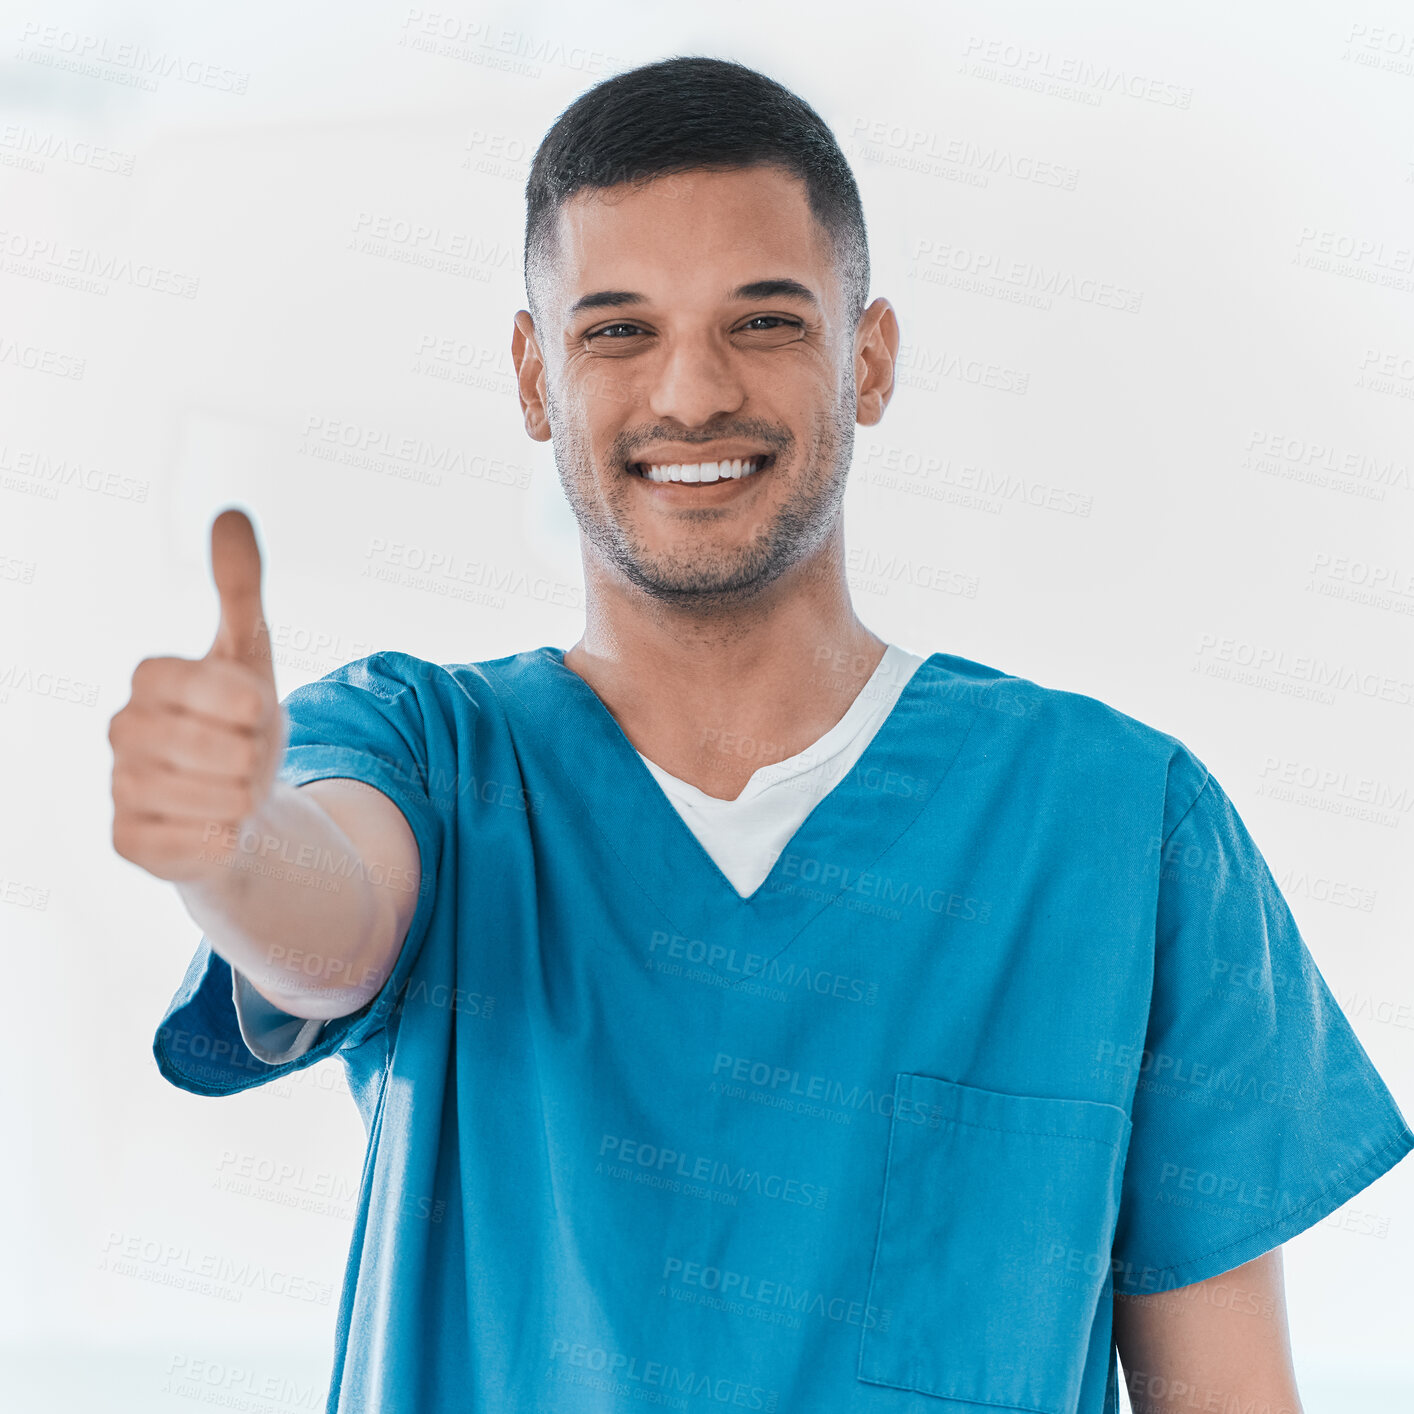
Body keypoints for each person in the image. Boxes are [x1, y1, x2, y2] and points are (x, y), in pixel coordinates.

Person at [111, 55, 1411, 1414]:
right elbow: (330, 920)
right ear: (531, 376)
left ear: (868, 357)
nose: (688, 393)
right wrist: (229, 838)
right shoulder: (430, 755)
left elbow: (1229, 1395)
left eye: (764, 322)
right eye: (615, 329)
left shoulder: (1118, 828)